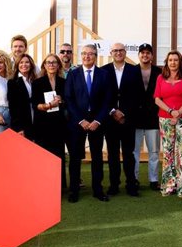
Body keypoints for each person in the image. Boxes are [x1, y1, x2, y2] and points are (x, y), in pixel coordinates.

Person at [65, 43, 112, 202]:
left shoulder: (104, 74)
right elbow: (69, 99)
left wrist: (98, 120)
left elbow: (107, 100)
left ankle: (98, 190)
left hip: (97, 124)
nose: (87, 56)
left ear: (95, 56)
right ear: (80, 56)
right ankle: (74, 191)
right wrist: (81, 120)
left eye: (90, 54)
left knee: (97, 157)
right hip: (77, 123)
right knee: (75, 158)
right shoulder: (73, 74)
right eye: (84, 53)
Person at [103, 42, 143, 197]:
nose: (118, 53)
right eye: (115, 51)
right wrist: (113, 111)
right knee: (112, 154)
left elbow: (138, 95)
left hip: (128, 120)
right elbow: (102, 95)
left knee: (128, 153)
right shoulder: (104, 71)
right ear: (111, 53)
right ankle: (114, 185)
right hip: (110, 120)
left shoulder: (134, 70)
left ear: (125, 52)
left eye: (121, 50)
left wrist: (124, 113)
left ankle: (131, 184)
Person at [154, 50, 182, 196]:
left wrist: (178, 114)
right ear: (167, 62)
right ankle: (168, 185)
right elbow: (157, 99)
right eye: (170, 60)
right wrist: (171, 112)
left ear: (180, 62)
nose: (173, 62)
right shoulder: (160, 78)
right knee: (168, 152)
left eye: (176, 60)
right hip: (165, 119)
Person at [32, 53, 68, 191]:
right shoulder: (37, 83)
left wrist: (62, 100)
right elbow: (35, 104)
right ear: (44, 66)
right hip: (43, 125)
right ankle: (44, 188)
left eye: (54, 62)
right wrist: (49, 105)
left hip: (59, 124)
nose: (51, 65)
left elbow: (68, 101)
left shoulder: (64, 82)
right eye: (48, 62)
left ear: (58, 65)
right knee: (44, 156)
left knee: (58, 156)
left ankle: (60, 188)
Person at [133, 43, 162, 190]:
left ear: (152, 55)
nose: (145, 55)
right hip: (136, 118)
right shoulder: (132, 71)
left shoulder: (159, 72)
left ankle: (153, 180)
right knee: (135, 152)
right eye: (142, 52)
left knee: (154, 152)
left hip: (153, 118)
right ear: (139, 55)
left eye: (148, 53)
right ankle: (134, 179)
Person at [8, 54, 37, 139]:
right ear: (17, 65)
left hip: (35, 122)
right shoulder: (12, 82)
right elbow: (13, 107)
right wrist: (18, 128)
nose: (24, 65)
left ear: (31, 64)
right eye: (21, 62)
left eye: (27, 62)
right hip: (22, 125)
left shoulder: (35, 81)